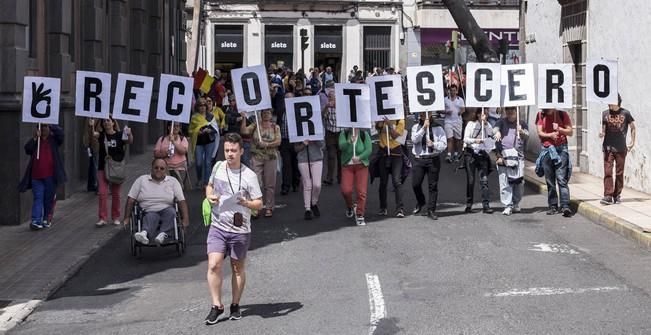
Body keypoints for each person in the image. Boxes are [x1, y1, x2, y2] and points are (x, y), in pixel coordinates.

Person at [204, 133, 263, 324]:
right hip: (218, 225)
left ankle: (235, 305)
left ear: (241, 151)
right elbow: (209, 186)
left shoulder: (249, 176)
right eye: (227, 150)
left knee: (237, 268)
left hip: (240, 229)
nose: (230, 154)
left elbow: (259, 204)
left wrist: (246, 202)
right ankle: (216, 306)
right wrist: (210, 196)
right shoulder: (218, 167)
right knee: (214, 265)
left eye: (233, 151)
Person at [123, 158, 189, 245]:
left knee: (172, 212)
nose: (158, 170)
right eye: (156, 167)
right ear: (151, 168)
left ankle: (162, 234)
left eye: (162, 168)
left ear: (166, 170)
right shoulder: (141, 180)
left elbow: (181, 201)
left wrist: (185, 219)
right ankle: (144, 233)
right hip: (148, 210)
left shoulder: (173, 181)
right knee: (151, 216)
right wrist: (127, 218)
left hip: (167, 209)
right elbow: (131, 199)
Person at [18, 124, 67, 230]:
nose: (44, 129)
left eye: (46, 127)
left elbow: (61, 134)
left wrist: (51, 124)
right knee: (38, 198)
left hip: (50, 176)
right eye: (41, 127)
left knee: (48, 199)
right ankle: (35, 220)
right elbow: (27, 149)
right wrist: (35, 138)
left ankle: (46, 218)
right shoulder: (36, 141)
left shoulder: (53, 140)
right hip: (36, 177)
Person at [241, 109, 281, 217]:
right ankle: (256, 207)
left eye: (268, 113)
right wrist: (244, 118)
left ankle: (269, 207)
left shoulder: (275, 127)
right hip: (257, 157)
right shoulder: (255, 125)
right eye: (264, 113)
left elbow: (278, 141)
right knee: (256, 182)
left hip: (270, 157)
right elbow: (244, 131)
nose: (266, 115)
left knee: (270, 184)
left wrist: (267, 145)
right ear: (261, 114)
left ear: (271, 115)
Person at [535, 108, 573, 217]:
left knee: (561, 179)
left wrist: (559, 129)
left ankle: (565, 205)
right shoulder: (540, 115)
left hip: (561, 149)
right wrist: (550, 135)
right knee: (550, 180)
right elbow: (540, 132)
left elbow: (570, 132)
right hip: (547, 149)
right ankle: (553, 205)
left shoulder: (562, 114)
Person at [95, 116, 133, 226]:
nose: (106, 123)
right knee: (103, 193)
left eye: (108, 120)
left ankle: (116, 217)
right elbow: (92, 136)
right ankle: (103, 218)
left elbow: (129, 141)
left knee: (116, 194)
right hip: (103, 167)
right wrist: (91, 126)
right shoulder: (101, 135)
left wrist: (129, 133)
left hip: (117, 168)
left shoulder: (120, 134)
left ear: (113, 123)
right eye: (104, 121)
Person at [599, 94, 636, 205]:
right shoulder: (605, 114)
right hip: (608, 148)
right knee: (608, 172)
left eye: (611, 101)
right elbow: (604, 130)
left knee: (619, 173)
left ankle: (617, 195)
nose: (609, 104)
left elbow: (633, 127)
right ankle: (608, 196)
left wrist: (632, 142)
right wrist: (602, 134)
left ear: (617, 102)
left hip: (621, 148)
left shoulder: (625, 113)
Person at [410, 112, 447, 220]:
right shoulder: (415, 127)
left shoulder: (438, 128)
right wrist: (423, 129)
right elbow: (414, 140)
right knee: (415, 184)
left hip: (433, 158)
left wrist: (434, 144)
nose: (422, 117)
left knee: (433, 186)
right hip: (419, 159)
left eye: (425, 115)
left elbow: (443, 144)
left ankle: (431, 210)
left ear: (430, 114)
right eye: (421, 115)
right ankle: (421, 201)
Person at [493, 107, 529, 215]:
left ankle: (516, 203)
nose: (509, 112)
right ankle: (507, 205)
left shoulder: (522, 123)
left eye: (512, 110)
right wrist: (497, 132)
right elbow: (494, 130)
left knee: (519, 183)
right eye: (507, 110)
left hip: (518, 157)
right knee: (505, 182)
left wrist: (521, 131)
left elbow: (527, 135)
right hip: (504, 156)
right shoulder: (501, 122)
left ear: (516, 111)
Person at [463, 109, 495, 214]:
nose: (484, 115)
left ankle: (486, 205)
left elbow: (491, 134)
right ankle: (469, 204)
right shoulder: (471, 124)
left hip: (482, 155)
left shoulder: (488, 125)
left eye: (486, 114)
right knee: (470, 180)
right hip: (471, 154)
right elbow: (466, 139)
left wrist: (485, 124)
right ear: (477, 114)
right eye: (482, 114)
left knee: (484, 181)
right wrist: (475, 140)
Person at [339, 128, 373, 225]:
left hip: (361, 165)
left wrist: (359, 157)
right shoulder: (343, 134)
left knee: (361, 191)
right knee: (346, 190)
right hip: (347, 166)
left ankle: (360, 214)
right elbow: (341, 147)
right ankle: (350, 206)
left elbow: (369, 149)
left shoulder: (364, 134)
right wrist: (349, 141)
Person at [375, 116, 406, 218]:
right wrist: (381, 120)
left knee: (397, 181)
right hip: (383, 153)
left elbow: (395, 135)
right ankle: (383, 208)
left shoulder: (400, 120)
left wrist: (389, 125)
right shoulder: (381, 118)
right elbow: (377, 128)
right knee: (383, 182)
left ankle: (400, 209)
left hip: (396, 154)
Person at [190, 97, 219, 187]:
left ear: (206, 106)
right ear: (197, 107)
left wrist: (210, 131)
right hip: (199, 142)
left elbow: (215, 129)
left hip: (210, 141)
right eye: (200, 105)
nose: (202, 107)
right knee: (198, 163)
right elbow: (190, 130)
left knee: (208, 162)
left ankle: (207, 182)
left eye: (204, 105)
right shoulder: (194, 117)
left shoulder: (211, 116)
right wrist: (197, 132)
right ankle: (199, 179)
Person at [154, 121, 190, 189]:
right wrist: (165, 154)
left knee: (178, 187)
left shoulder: (183, 139)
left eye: (177, 126)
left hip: (180, 168)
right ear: (169, 127)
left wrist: (174, 142)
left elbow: (183, 151)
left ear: (179, 128)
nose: (175, 128)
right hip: (166, 168)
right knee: (166, 188)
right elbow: (156, 153)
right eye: (174, 126)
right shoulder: (162, 139)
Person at [294, 139, 325, 220]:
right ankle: (307, 209)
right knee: (307, 184)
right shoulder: (298, 128)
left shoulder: (318, 127)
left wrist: (315, 140)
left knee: (317, 185)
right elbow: (296, 148)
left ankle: (314, 202)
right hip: (303, 160)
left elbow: (323, 145)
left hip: (317, 159)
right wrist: (303, 144)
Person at [278, 92, 300, 195]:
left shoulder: (298, 111)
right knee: (286, 164)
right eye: (286, 99)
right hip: (285, 141)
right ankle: (285, 186)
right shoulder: (281, 111)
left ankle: (296, 183)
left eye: (290, 98)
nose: (288, 101)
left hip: (295, 140)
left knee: (295, 163)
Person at [322, 90, 341, 185]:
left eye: (332, 97)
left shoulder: (341, 107)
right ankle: (329, 177)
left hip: (340, 133)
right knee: (331, 156)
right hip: (330, 133)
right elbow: (323, 116)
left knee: (341, 156)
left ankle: (340, 177)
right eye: (329, 97)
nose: (331, 99)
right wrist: (326, 107)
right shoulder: (327, 107)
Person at [444, 84, 465, 163]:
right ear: (449, 91)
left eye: (454, 90)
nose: (452, 92)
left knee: (457, 140)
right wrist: (446, 112)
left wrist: (461, 112)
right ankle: (449, 154)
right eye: (451, 90)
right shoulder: (445, 99)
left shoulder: (460, 100)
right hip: (448, 121)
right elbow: (440, 110)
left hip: (458, 122)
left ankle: (456, 154)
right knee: (449, 138)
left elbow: (463, 109)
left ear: (456, 91)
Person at [83, 118, 99, 192]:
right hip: (96, 145)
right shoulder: (90, 117)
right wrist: (86, 144)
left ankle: (93, 185)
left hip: (95, 144)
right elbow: (87, 132)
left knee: (94, 165)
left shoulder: (90, 116)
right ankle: (96, 185)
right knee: (96, 165)